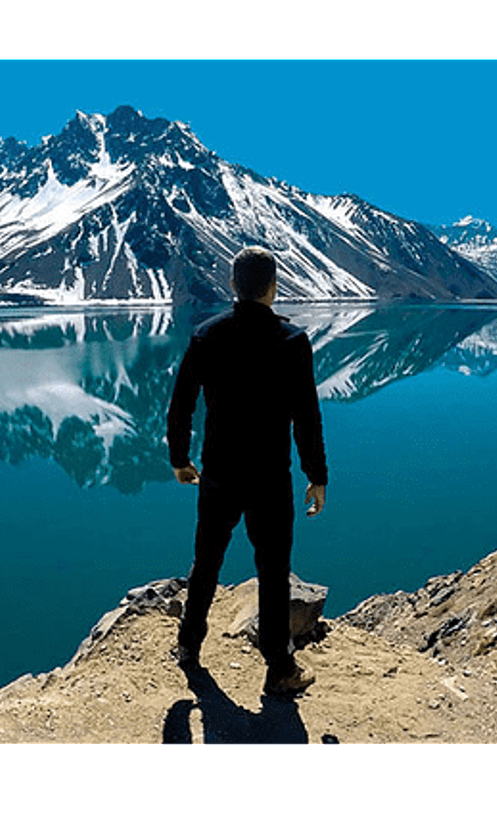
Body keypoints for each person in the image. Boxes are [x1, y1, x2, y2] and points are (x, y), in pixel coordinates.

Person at [166, 246, 328, 697]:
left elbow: (180, 406)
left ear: (234, 286)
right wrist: (317, 474)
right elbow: (307, 417)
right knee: (273, 571)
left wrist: (180, 459)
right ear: (273, 287)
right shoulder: (292, 341)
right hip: (270, 479)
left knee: (207, 563)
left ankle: (188, 645)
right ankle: (279, 667)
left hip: (218, 473)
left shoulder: (206, 336)